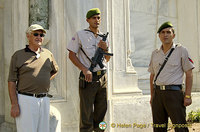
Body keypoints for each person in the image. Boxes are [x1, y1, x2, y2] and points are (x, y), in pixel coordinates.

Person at [8, 24, 59, 132]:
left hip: (44, 100)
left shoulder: (48, 54)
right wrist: (14, 104)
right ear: (28, 36)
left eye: (41, 35)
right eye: (35, 34)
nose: (39, 37)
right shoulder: (18, 55)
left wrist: (42, 80)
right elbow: (12, 81)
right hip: (25, 100)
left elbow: (55, 70)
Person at [67, 8, 111, 132]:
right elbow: (71, 54)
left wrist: (105, 48)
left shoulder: (104, 37)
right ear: (88, 20)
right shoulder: (80, 34)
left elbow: (107, 59)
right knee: (86, 114)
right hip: (88, 77)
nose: (96, 20)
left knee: (102, 113)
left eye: (98, 18)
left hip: (103, 77)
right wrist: (84, 69)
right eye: (93, 18)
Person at [148, 21, 195, 132]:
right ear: (159, 36)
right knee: (158, 127)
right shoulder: (155, 53)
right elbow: (152, 76)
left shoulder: (181, 50)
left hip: (174, 94)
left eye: (168, 32)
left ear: (173, 35)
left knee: (180, 128)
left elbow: (189, 73)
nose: (165, 35)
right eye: (163, 32)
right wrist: (152, 96)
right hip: (158, 95)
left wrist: (188, 96)